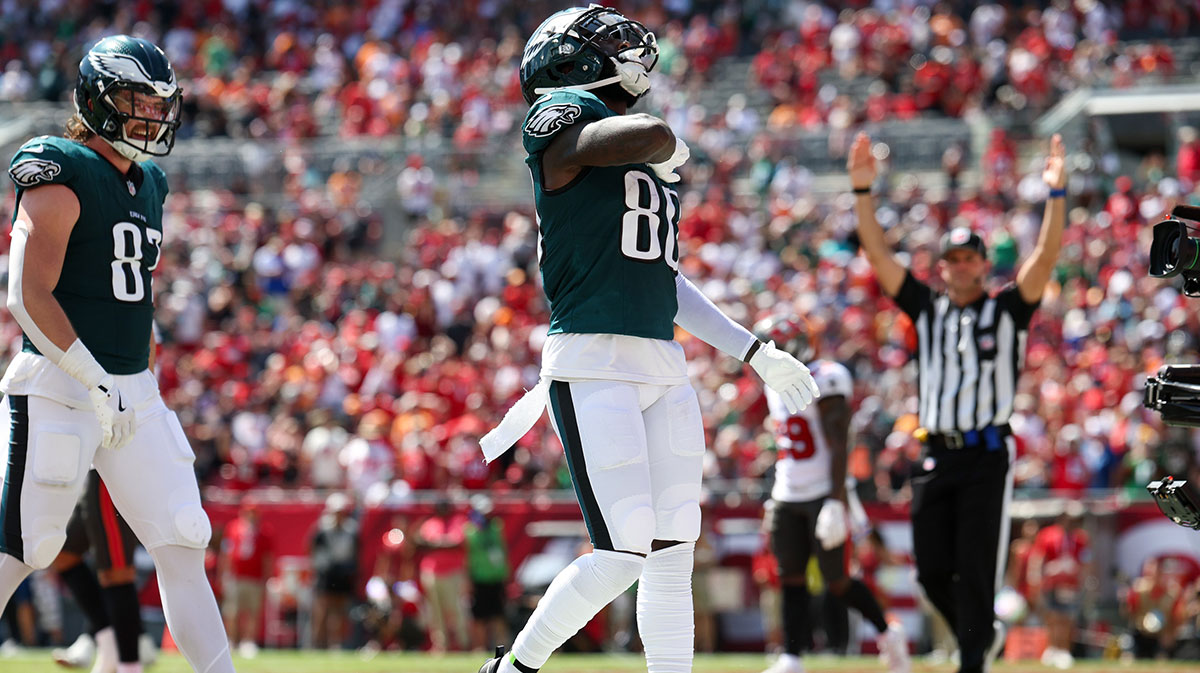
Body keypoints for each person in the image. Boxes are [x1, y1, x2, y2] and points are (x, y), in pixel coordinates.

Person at [478, 7, 819, 673]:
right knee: (623, 548)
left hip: (661, 364)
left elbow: (664, 281)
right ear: (568, 62)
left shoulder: (638, 153)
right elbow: (653, 131)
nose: (627, 52)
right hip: (591, 358)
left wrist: (755, 351)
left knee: (673, 549)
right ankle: (513, 667)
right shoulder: (561, 118)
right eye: (604, 44)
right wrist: (660, 146)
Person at [0, 35, 235, 673]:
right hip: (59, 382)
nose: (154, 117)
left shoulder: (150, 180)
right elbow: (26, 295)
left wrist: (135, 381)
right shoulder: (59, 164)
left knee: (184, 537)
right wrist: (92, 377)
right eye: (138, 101)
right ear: (99, 101)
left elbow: (135, 300)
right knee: (26, 546)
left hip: (133, 388)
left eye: (160, 104)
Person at [847, 130, 1067, 673]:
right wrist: (861, 191)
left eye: (970, 257)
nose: (961, 266)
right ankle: (982, 633)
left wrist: (1056, 197)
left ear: (983, 264)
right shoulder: (926, 308)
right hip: (935, 453)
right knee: (929, 570)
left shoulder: (1009, 309)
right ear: (941, 266)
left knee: (975, 567)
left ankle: (973, 658)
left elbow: (1044, 258)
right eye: (952, 258)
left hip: (987, 455)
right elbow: (878, 255)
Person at [753, 315, 910, 673]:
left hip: (824, 492)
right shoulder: (771, 383)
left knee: (837, 580)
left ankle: (889, 633)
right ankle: (792, 658)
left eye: (772, 346)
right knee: (789, 576)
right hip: (786, 492)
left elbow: (840, 445)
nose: (766, 354)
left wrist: (836, 502)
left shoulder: (826, 376)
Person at [52, 470, 147, 673]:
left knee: (117, 572)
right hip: (91, 472)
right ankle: (108, 643)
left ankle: (130, 666)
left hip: (111, 466)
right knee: (63, 556)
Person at [1028, 506, 1090, 669]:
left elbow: (1085, 562)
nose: (1073, 523)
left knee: (1067, 618)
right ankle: (1052, 648)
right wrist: (1036, 578)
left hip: (1071, 584)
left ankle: (1064, 651)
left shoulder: (1080, 538)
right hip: (1051, 583)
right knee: (1052, 617)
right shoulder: (1047, 535)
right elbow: (1038, 559)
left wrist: (1084, 580)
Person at [220, 502, 274, 658]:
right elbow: (227, 552)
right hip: (236, 577)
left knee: (252, 612)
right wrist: (224, 574)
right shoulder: (233, 528)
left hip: (255, 578)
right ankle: (232, 641)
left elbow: (267, 558)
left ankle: (248, 642)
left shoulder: (264, 532)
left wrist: (267, 578)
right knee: (232, 612)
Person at [309, 492, 358, 650]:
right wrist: (323, 567)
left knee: (339, 612)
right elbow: (314, 552)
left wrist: (349, 569)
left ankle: (335, 644)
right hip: (326, 575)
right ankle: (318, 644)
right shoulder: (322, 529)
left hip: (343, 575)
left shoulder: (352, 530)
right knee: (322, 611)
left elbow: (355, 553)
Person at [464, 494, 511, 652]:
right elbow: (468, 557)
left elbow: (502, 551)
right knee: (479, 617)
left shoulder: (497, 526)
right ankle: (480, 648)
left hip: (496, 578)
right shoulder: (470, 531)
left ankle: (504, 648)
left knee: (499, 616)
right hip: (479, 579)